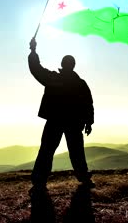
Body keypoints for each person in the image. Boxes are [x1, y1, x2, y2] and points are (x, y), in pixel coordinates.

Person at [28, 38, 95, 193]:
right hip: (73, 122)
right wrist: (89, 122)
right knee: (75, 151)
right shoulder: (80, 83)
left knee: (47, 150)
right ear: (73, 65)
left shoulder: (54, 79)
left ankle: (39, 180)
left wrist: (33, 51)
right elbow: (88, 104)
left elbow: (36, 69)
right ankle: (84, 178)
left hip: (55, 120)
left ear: (63, 64)